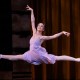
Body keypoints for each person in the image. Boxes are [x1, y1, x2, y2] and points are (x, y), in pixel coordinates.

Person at [0, 5, 80, 65]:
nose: (39, 26)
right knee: (16, 57)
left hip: (39, 54)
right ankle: (1, 56)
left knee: (57, 58)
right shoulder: (34, 32)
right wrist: (32, 11)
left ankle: (76, 59)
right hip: (31, 54)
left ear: (43, 29)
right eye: (39, 25)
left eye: (41, 26)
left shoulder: (42, 37)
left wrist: (62, 32)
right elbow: (32, 21)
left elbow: (53, 36)